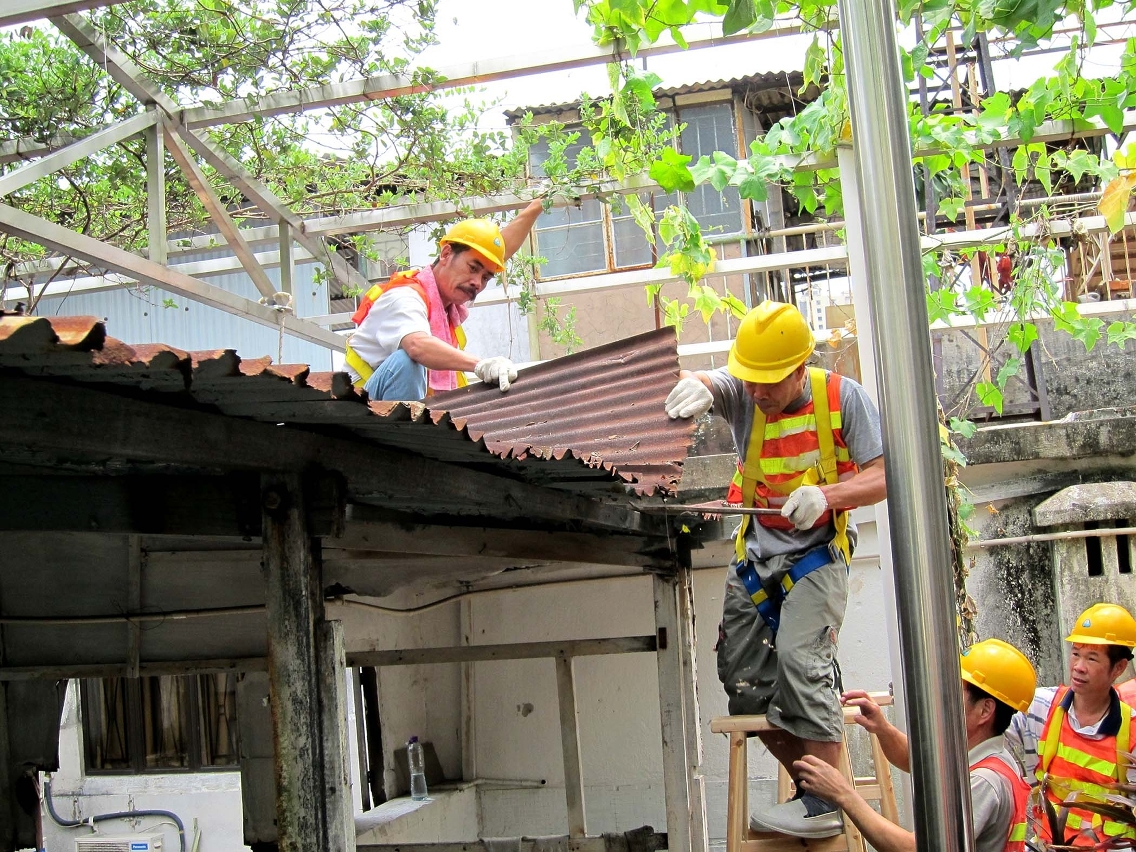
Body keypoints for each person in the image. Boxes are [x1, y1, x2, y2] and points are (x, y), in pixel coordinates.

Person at [663, 300, 887, 838]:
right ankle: (814, 791)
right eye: (750, 379)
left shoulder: (842, 398)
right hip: (757, 557)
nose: (756, 392)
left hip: (817, 555)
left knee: (800, 662)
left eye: (768, 381)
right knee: (740, 680)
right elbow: (720, 382)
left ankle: (831, 802)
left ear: (798, 367)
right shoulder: (746, 391)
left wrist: (828, 494)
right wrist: (700, 383)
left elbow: (885, 475)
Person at [794, 639, 1036, 852]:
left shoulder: (985, 781)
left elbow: (916, 848)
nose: (942, 697)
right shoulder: (979, 753)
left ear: (985, 710)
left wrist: (843, 794)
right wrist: (883, 728)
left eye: (954, 690)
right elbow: (917, 761)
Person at [344, 199, 544, 401]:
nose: (477, 283)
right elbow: (417, 345)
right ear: (446, 254)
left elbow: (499, 252)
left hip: (405, 413)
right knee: (405, 362)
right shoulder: (405, 296)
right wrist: (480, 364)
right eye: (473, 268)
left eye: (485, 278)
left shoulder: (447, 305)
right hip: (359, 414)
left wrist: (539, 205)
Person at [1005, 602, 1136, 846]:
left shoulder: (1132, 732)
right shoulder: (1041, 707)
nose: (1078, 667)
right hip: (1048, 846)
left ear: (1118, 667)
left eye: (1092, 658)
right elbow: (984, 733)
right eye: (1076, 653)